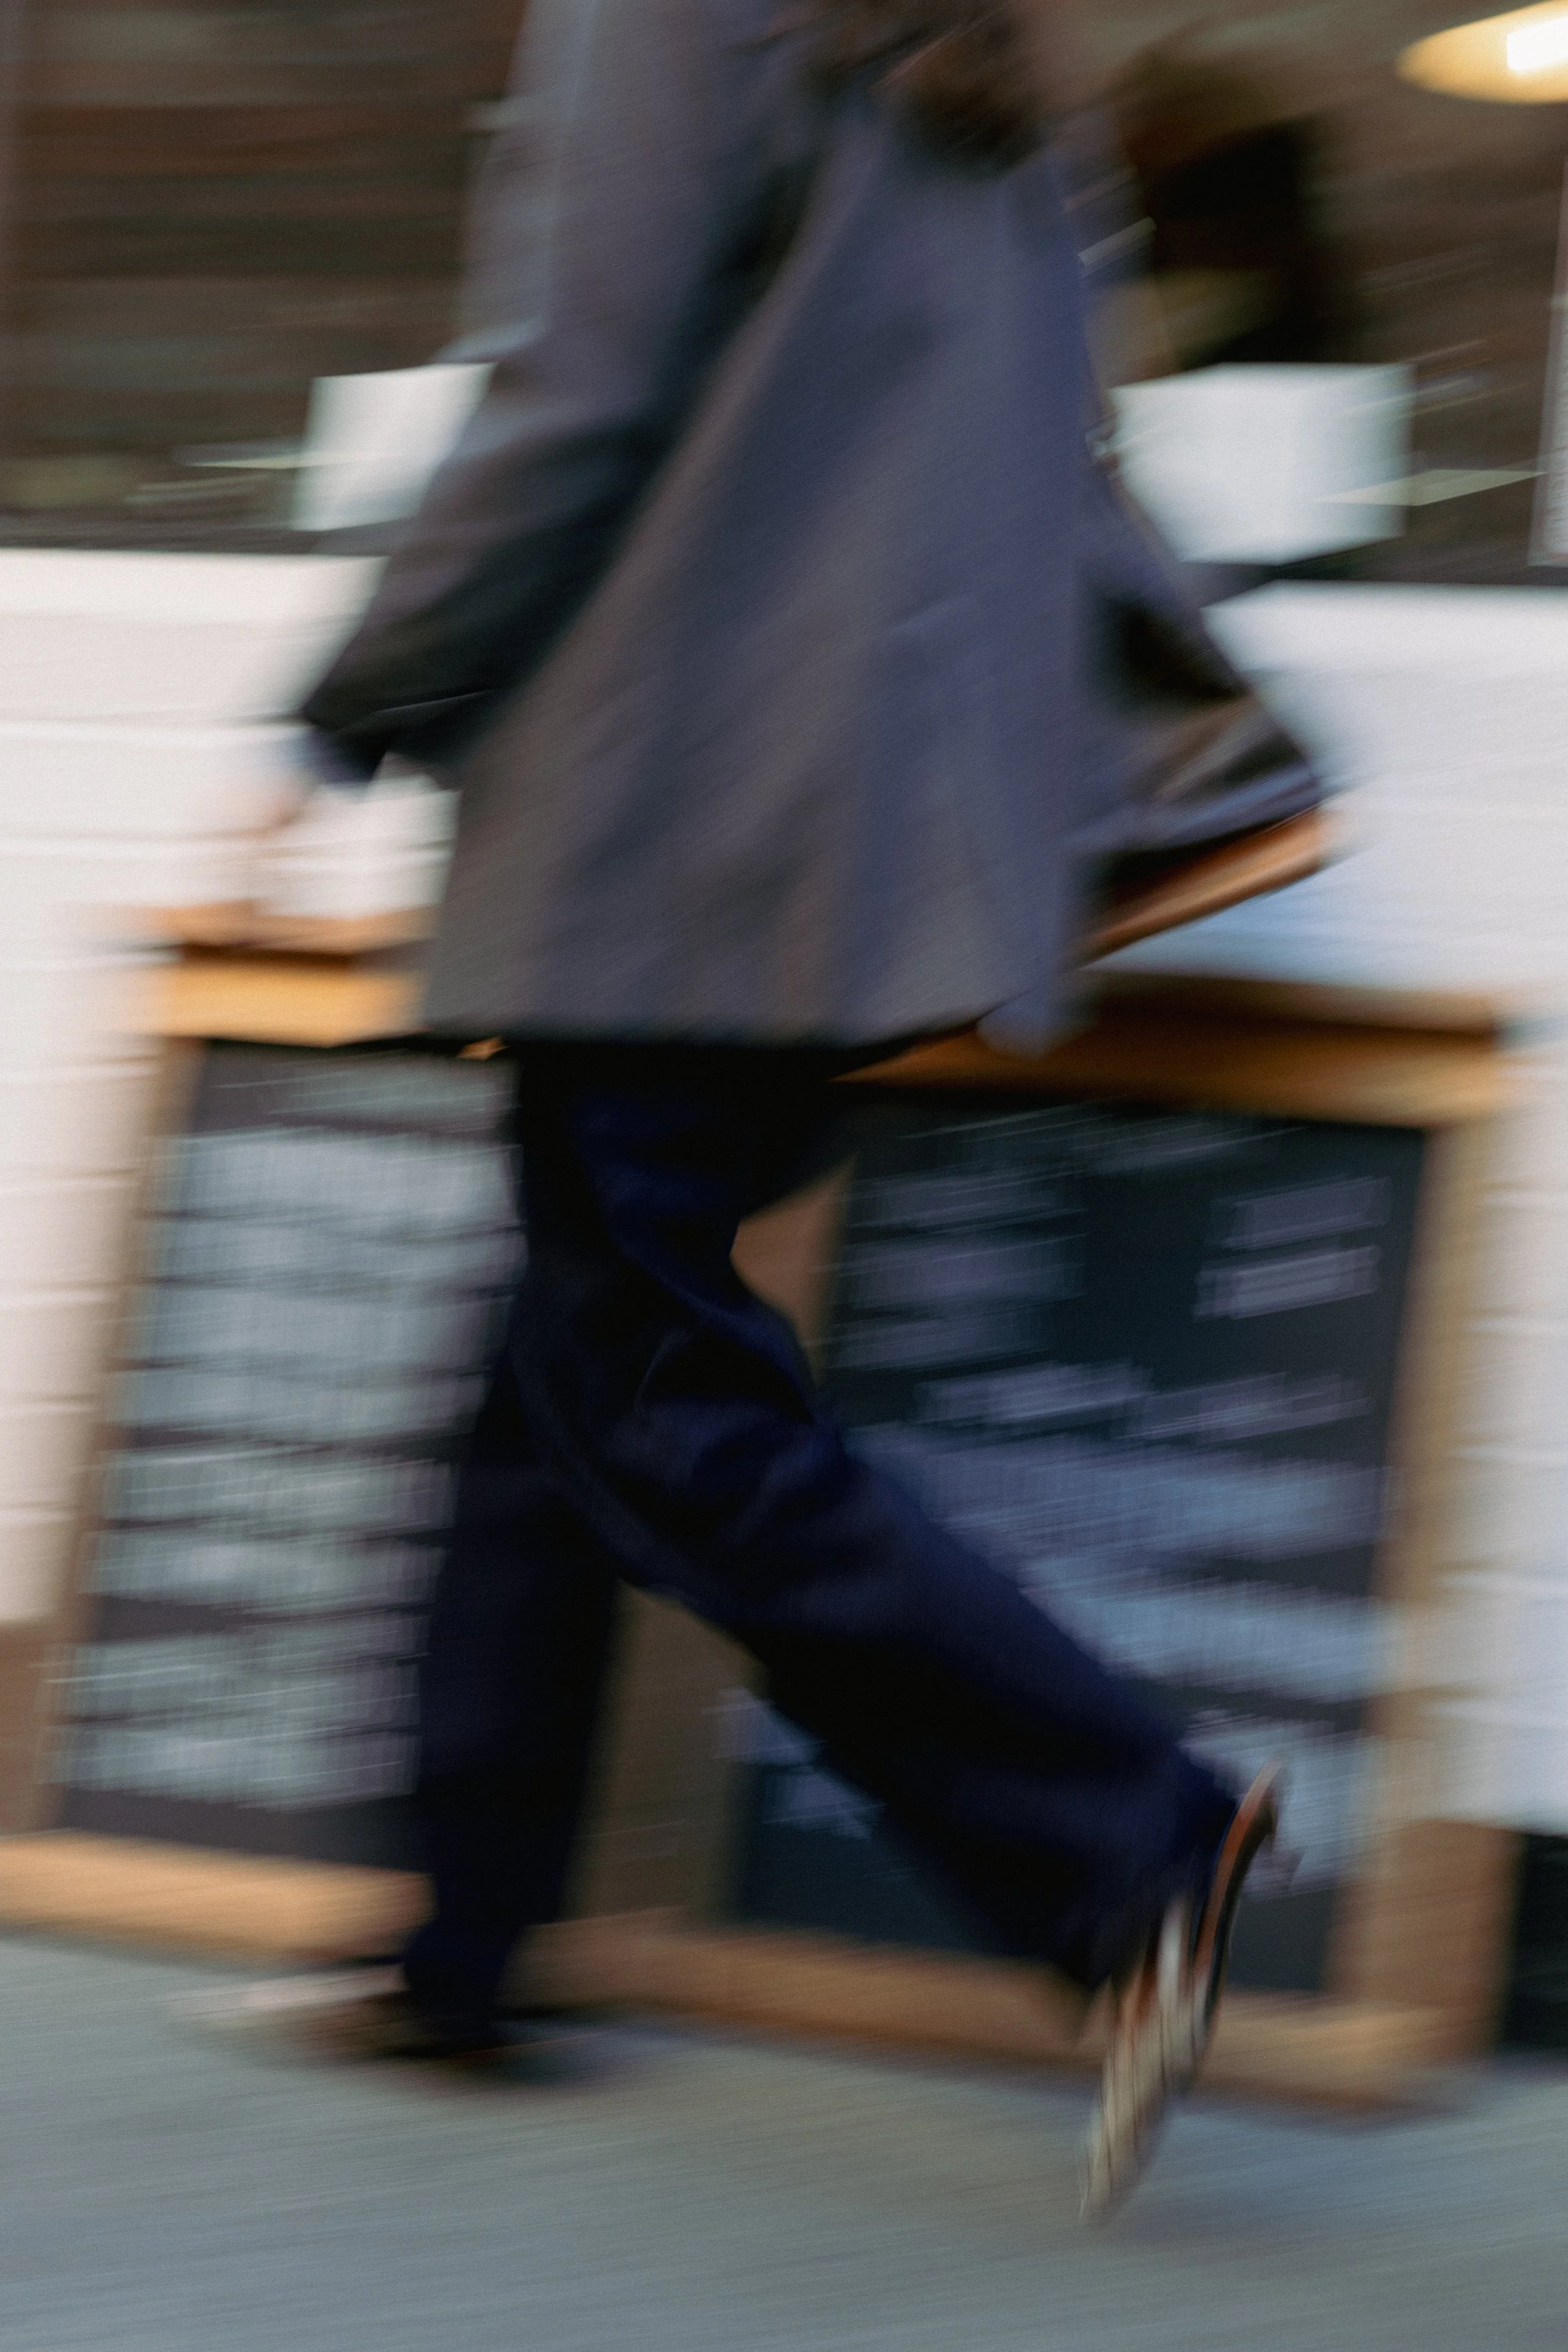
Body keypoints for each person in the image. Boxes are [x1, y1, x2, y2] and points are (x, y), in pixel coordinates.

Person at [296, 0, 1283, 2220]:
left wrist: (360, 694)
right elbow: (1056, 438)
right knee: (558, 1358)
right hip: (844, 836)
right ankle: (457, 1940)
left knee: (648, 1388)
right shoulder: (976, 46)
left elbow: (569, 394)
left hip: (672, 814)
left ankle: (1132, 1835)